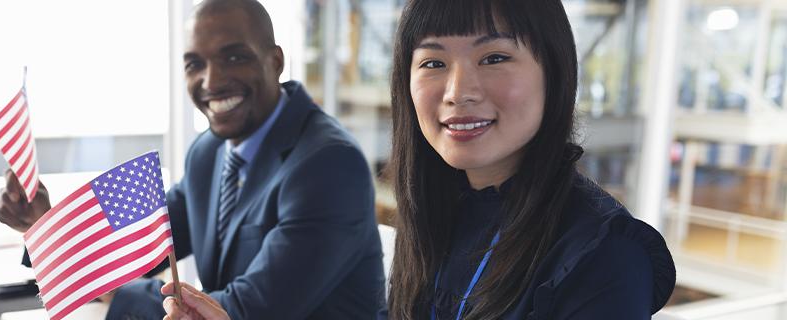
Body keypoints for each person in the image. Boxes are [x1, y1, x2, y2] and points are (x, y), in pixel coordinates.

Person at [163, 0, 676, 319]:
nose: (458, 91)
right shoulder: (442, 207)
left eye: (494, 57)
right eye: (433, 62)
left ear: (555, 71)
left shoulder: (605, 257)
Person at [0, 0, 386, 319]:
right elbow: (144, 246)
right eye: (194, 64)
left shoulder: (329, 165)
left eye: (234, 57)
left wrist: (111, 289)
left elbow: (240, 311)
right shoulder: (210, 151)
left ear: (276, 61)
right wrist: (47, 226)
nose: (211, 82)